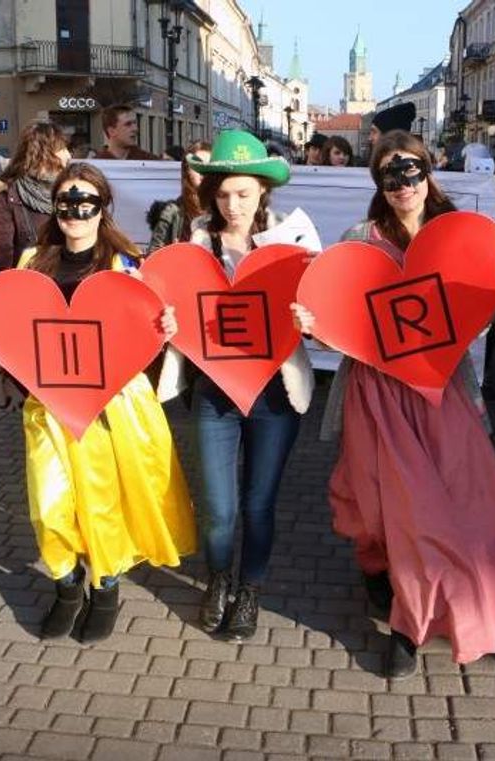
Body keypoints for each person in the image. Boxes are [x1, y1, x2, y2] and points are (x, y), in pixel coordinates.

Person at [294, 130, 495, 676]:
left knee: (436, 510)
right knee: (381, 507)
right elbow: (341, 324)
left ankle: (408, 627)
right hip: (375, 393)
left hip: (438, 392)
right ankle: (379, 573)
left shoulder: (459, 235)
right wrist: (315, 324)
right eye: (389, 174)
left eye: (410, 170)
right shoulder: (361, 238)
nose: (402, 183)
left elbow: (487, 300)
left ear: (428, 172)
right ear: (378, 183)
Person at [0, 163, 196, 643]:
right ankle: (67, 586)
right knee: (50, 505)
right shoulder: (34, 259)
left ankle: (105, 587)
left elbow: (146, 330)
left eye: (85, 201)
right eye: (66, 201)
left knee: (100, 504)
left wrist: (165, 330)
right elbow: (14, 322)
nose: (75, 211)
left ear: (102, 207)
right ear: (55, 206)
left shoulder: (125, 262)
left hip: (109, 406)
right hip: (46, 405)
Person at [157, 129, 311, 641]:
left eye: (243, 193)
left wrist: (308, 317)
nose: (233, 204)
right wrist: (169, 326)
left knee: (258, 502)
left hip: (274, 391)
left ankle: (251, 587)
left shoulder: (293, 243)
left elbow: (324, 309)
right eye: (223, 193)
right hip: (215, 391)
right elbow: (169, 305)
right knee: (220, 508)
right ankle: (219, 578)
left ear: (263, 191)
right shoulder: (195, 242)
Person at [0, 122, 71, 271]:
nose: (69, 155)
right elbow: (2, 252)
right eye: (62, 149)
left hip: (69, 276)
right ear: (44, 154)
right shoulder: (9, 195)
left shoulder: (71, 188)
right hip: (31, 282)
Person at [146, 140, 211, 252]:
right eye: (197, 165)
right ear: (187, 170)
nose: (203, 171)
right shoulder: (172, 212)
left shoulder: (223, 208)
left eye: (209, 166)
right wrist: (173, 254)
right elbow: (154, 257)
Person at [95, 104, 160, 160]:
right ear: (112, 131)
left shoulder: (150, 161)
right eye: (128, 124)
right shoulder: (95, 167)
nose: (135, 129)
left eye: (135, 123)